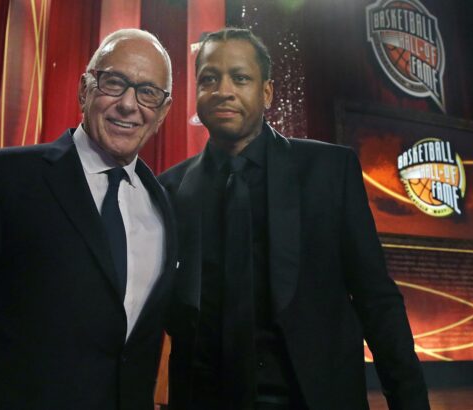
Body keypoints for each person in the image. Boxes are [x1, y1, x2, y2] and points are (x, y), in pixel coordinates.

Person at [0, 28, 176, 410]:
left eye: (148, 92)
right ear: (84, 89)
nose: (129, 104)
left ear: (162, 112)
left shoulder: (164, 207)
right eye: (114, 82)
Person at [159, 28, 429, 410]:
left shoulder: (330, 171)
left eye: (240, 78)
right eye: (209, 79)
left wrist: (410, 402)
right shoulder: (169, 190)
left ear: (267, 92)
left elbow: (376, 299)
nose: (223, 90)